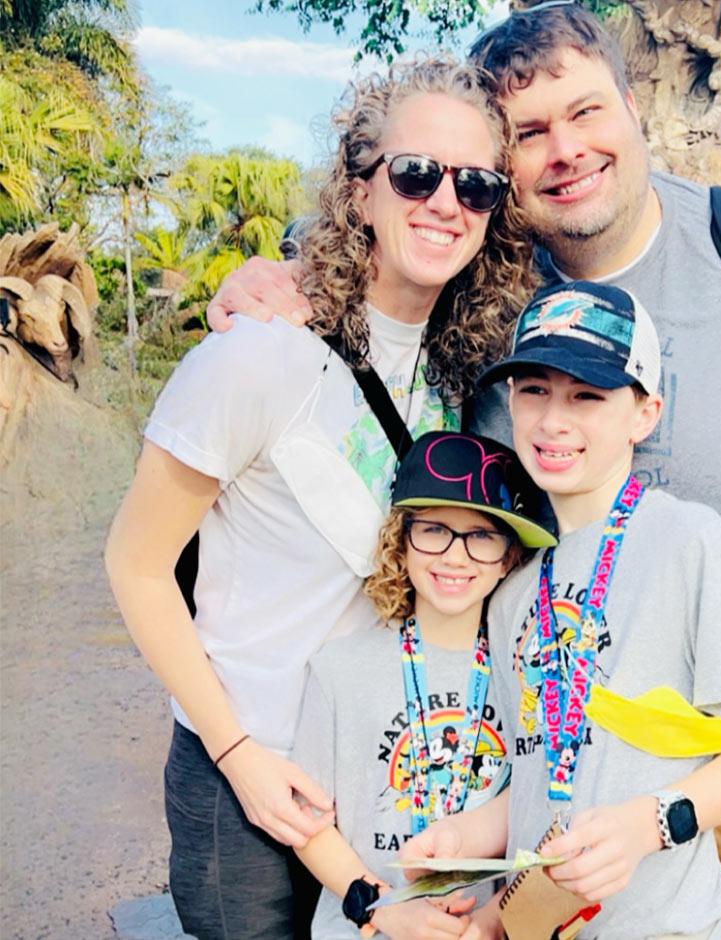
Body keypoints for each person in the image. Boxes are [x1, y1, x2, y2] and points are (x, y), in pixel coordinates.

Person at [204, 6, 721, 937]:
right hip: (572, 803)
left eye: (585, 112)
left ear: (635, 109)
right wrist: (267, 278)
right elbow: (378, 260)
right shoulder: (486, 299)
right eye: (528, 134)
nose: (565, 150)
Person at [104, 57, 534, 940]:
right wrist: (240, 757)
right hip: (249, 775)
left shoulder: (463, 372)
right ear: (360, 186)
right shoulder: (256, 356)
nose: (446, 202)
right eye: (416, 173)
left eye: (479, 185)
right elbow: (137, 568)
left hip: (389, 766)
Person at [403, 281, 721, 940]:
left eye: (587, 396)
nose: (554, 421)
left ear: (645, 414)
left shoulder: (690, 541)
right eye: (534, 391)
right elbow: (539, 773)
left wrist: (650, 824)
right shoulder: (514, 589)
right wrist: (461, 839)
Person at [290, 429, 558, 939]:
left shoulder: (528, 677)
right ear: (401, 539)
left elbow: (541, 806)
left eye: (481, 535)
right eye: (434, 529)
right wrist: (379, 907)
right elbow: (308, 826)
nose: (455, 557)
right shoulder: (339, 668)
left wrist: (497, 917)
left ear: (509, 556)